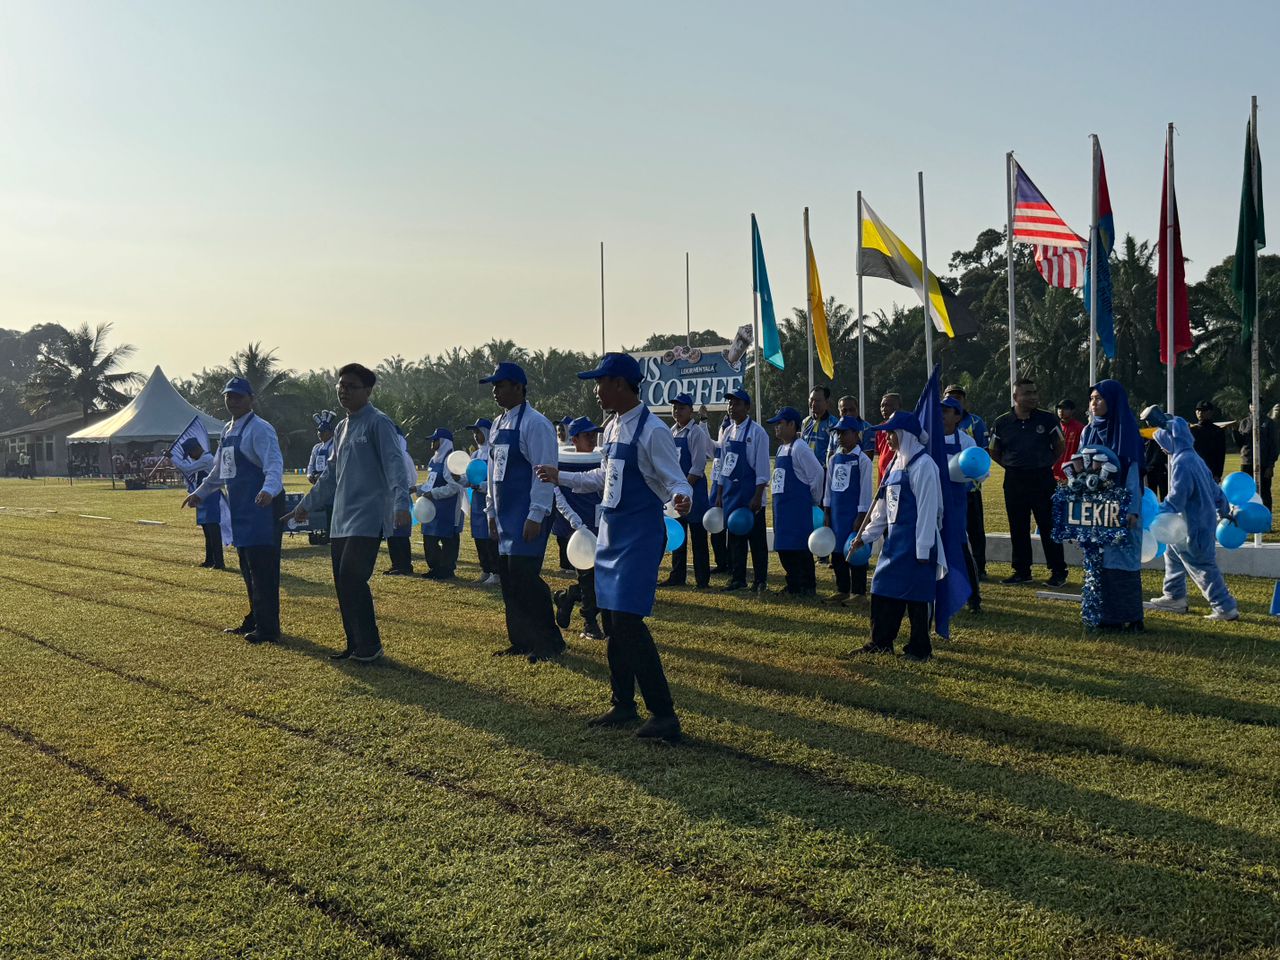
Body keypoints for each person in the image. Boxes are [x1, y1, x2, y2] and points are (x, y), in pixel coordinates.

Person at [537, 353, 692, 741]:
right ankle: (623, 704)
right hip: (610, 534)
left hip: (639, 536)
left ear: (620, 384)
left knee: (627, 623)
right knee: (611, 621)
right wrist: (561, 476)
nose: (596, 390)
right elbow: (603, 477)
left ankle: (664, 714)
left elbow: (676, 479)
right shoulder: (612, 427)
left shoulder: (653, 431)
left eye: (600, 382)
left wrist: (683, 497)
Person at [289, 364, 411, 662]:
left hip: (368, 516)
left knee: (352, 577)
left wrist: (401, 504)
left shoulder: (378, 423)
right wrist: (306, 505)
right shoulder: (341, 428)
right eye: (341, 386)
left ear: (367, 391)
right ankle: (355, 644)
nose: (344, 391)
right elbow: (330, 475)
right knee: (342, 583)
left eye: (351, 386)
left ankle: (370, 646)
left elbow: (395, 465)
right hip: (340, 518)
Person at [184, 377, 286, 644]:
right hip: (241, 508)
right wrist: (199, 494)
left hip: (263, 507)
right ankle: (255, 618)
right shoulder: (228, 431)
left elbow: (274, 464)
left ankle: (269, 628)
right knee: (247, 567)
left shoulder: (260, 429)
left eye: (238, 396)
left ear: (251, 399)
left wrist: (269, 490)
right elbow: (219, 472)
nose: (232, 401)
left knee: (263, 570)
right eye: (228, 396)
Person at [482, 361, 564, 662]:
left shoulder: (536, 423)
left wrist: (536, 513)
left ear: (519, 387)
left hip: (526, 513)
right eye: (494, 386)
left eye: (501, 385)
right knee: (509, 579)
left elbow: (543, 472)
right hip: (505, 514)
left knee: (526, 578)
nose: (495, 391)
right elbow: (492, 472)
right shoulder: (497, 423)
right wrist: (491, 512)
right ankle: (520, 639)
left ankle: (549, 642)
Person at [848, 411, 942, 661]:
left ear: (906, 434)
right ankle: (880, 642)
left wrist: (923, 548)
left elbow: (928, 510)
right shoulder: (893, 464)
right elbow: (882, 508)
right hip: (894, 542)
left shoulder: (924, 465)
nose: (887, 438)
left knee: (917, 597)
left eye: (891, 433)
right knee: (882, 589)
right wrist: (866, 535)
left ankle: (920, 649)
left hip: (917, 543)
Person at [1143, 408, 1240, 621]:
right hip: (1199, 521)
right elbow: (1215, 490)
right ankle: (1174, 595)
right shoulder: (1194, 457)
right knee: (1172, 552)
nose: (1162, 448)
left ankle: (1225, 607)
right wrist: (1223, 510)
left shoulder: (1182, 462)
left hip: (1194, 524)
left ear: (1171, 440)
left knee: (1202, 565)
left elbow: (1178, 497)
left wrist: (1157, 512)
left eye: (1162, 443)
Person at [1078, 380, 1145, 631]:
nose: (1094, 403)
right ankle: (1103, 616)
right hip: (1095, 508)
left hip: (1123, 506)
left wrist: (1132, 510)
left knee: (1122, 559)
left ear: (1113, 401)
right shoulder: (1088, 431)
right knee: (1097, 558)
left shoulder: (1126, 431)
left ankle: (1130, 617)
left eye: (1099, 398)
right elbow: (1081, 468)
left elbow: (1133, 475)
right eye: (1091, 399)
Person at [990, 378, 1067, 587]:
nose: (1033, 397)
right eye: (1027, 393)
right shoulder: (1002, 422)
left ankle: (1058, 571)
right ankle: (1022, 571)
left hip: (1042, 478)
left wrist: (1045, 463)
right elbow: (994, 450)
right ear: (1015, 397)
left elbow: (1060, 446)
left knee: (1048, 525)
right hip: (1014, 480)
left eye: (1034, 392)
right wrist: (1012, 465)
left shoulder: (1048, 419)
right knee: (1018, 527)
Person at [551, 417, 604, 640]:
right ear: (574, 440)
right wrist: (574, 522)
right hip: (575, 531)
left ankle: (569, 596)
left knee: (600, 580)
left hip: (599, 526)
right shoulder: (561, 463)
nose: (592, 439)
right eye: (587, 435)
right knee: (588, 578)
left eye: (594, 435)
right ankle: (590, 623)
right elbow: (556, 493)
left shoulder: (601, 461)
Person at [767, 406, 825, 595]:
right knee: (784, 547)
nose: (776, 427)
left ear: (792, 425)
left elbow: (817, 473)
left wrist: (813, 499)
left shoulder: (800, 448)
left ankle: (806, 585)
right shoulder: (781, 449)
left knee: (799, 547)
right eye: (775, 424)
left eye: (780, 423)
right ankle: (793, 583)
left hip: (797, 507)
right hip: (782, 508)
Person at [717, 388, 770, 592]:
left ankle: (760, 580)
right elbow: (724, 465)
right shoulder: (728, 431)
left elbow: (763, 469)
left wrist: (757, 496)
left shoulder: (758, 433)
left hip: (750, 495)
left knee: (756, 540)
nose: (732, 407)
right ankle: (737, 578)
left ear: (747, 407)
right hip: (731, 494)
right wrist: (720, 493)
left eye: (737, 403)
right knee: (735, 539)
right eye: (730, 403)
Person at [662, 393, 712, 588]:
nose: (677, 411)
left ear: (691, 411)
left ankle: (702, 579)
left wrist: (684, 491)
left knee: (698, 537)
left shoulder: (696, 433)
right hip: (676, 493)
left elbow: (698, 467)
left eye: (681, 408)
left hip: (694, 492)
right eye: (675, 407)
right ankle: (677, 576)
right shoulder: (671, 432)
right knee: (678, 535)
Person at [823, 415, 872, 604]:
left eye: (844, 433)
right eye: (838, 433)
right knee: (837, 552)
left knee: (855, 550)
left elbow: (865, 490)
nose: (840, 437)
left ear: (855, 434)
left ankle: (859, 592)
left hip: (853, 514)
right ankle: (842, 588)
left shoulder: (862, 460)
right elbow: (828, 488)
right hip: (836, 513)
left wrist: (861, 516)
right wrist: (827, 511)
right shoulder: (834, 459)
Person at [945, 384, 989, 580]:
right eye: (949, 397)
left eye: (958, 397)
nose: (953, 400)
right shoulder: (933, 431)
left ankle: (978, 568)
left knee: (973, 530)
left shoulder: (974, 424)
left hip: (968, 490)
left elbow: (981, 456)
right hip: (941, 493)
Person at [941, 397, 980, 613]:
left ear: (957, 417)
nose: (941, 415)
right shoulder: (928, 438)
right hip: (932, 497)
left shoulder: (966, 442)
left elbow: (980, 471)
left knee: (960, 547)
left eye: (946, 411)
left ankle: (973, 598)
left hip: (955, 500)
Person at [417, 428, 464, 580]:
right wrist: (418, 489)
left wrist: (434, 493)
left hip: (448, 507)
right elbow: (429, 483)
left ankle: (447, 569)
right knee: (429, 537)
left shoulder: (450, 461)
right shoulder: (433, 460)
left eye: (435, 440)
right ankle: (435, 568)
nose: (432, 442)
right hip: (432, 507)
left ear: (444, 442)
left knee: (448, 539)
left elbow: (454, 487)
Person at [173, 437, 226, 570]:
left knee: (213, 530)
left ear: (196, 449)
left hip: (211, 497)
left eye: (190, 453)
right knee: (207, 530)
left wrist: (172, 457)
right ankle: (209, 560)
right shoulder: (203, 459)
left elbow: (187, 469)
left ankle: (219, 561)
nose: (191, 457)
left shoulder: (207, 459)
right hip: (203, 498)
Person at [464, 418, 500, 585]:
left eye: (478, 432)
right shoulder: (475, 455)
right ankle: (485, 569)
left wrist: (481, 486)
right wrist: (460, 479)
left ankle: (496, 571)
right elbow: (470, 477)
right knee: (479, 536)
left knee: (491, 537)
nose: (475, 435)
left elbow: (495, 479)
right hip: (477, 502)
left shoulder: (494, 453)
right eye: (474, 433)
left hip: (490, 500)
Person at [382, 427, 418, 576]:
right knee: (391, 533)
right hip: (389, 497)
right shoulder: (388, 456)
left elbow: (412, 478)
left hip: (401, 496)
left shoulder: (404, 456)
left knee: (401, 532)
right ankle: (396, 563)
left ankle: (404, 565)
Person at [1233, 403, 1277, 511]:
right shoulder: (1244, 422)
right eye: (1252, 404)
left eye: (1257, 404)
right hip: (1247, 461)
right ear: (1249, 407)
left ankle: (1266, 516)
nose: (1254, 406)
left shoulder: (1268, 422)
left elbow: (1274, 445)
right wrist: (1234, 431)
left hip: (1264, 462)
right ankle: (1248, 515)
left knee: (1265, 492)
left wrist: (1270, 465)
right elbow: (1240, 443)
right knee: (1247, 491)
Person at [706, 409, 732, 573]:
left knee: (732, 530)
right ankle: (721, 562)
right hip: (716, 493)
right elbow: (705, 441)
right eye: (722, 430)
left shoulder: (731, 449)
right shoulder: (717, 448)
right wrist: (703, 422)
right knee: (716, 531)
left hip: (729, 492)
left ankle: (732, 563)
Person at [305, 411, 336, 545]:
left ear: (329, 432)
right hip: (317, 483)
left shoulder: (334, 445)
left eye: (322, 432)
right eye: (318, 431)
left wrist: (322, 476)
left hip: (331, 483)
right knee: (318, 507)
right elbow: (311, 464)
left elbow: (333, 464)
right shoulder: (316, 448)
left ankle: (330, 533)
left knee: (331, 508)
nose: (320, 434)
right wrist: (310, 475)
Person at [1190, 400, 1227, 482]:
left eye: (1204, 410)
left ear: (1210, 412)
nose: (1200, 413)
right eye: (1198, 410)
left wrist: (1218, 474)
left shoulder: (1217, 431)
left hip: (1211, 470)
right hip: (1194, 470)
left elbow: (1220, 454)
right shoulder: (1191, 430)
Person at [801, 386, 840, 464]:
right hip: (806, 468)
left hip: (824, 468)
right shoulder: (806, 422)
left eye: (818, 401)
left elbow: (836, 450)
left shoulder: (834, 423)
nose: (813, 404)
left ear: (827, 402)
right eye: (811, 400)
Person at [1052, 399, 1083, 482]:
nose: (1061, 411)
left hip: (1071, 474)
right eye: (1059, 408)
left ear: (1072, 411)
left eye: (1065, 408)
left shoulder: (1080, 428)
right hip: (1054, 473)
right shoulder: (1054, 427)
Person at [874, 393, 901, 483]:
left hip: (897, 475)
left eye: (888, 405)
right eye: (882, 406)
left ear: (898, 407)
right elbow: (880, 457)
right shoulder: (879, 429)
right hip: (883, 477)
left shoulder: (903, 429)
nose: (884, 409)